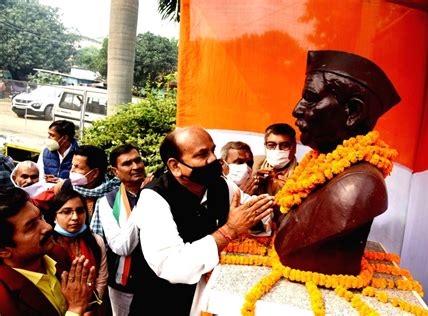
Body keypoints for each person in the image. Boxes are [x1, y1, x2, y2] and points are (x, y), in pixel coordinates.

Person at [274, 50, 401, 275]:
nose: (297, 109)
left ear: (353, 111)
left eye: (311, 98)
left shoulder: (357, 186)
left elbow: (291, 243)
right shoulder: (319, 166)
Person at [130, 126, 274, 315]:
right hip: (162, 304)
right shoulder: (153, 198)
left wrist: (268, 209)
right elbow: (172, 266)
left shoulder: (221, 185)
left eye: (213, 150)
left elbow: (253, 212)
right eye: (202, 155)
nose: (213, 159)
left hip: (206, 300)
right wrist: (229, 230)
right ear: (175, 166)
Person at [0, 187, 96, 315]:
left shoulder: (57, 253)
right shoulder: (4, 299)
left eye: (40, 218)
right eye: (31, 226)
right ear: (3, 250)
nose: (47, 227)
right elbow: (77, 305)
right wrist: (75, 310)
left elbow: (85, 300)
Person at [94, 144, 151, 315]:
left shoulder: (160, 191)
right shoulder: (107, 202)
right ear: (115, 171)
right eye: (127, 163)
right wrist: (143, 199)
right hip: (124, 284)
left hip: (157, 279)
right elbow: (122, 247)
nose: (135, 167)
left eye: (137, 160)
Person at [46, 189, 108, 315]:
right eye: (66, 212)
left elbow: (102, 277)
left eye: (80, 211)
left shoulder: (95, 241)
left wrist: (92, 304)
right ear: (54, 216)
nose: (75, 217)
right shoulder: (48, 245)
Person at [245, 123, 298, 197]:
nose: (277, 150)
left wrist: (294, 192)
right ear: (265, 147)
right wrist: (252, 184)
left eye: (284, 145)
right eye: (271, 145)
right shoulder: (251, 166)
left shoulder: (303, 174)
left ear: (294, 148)